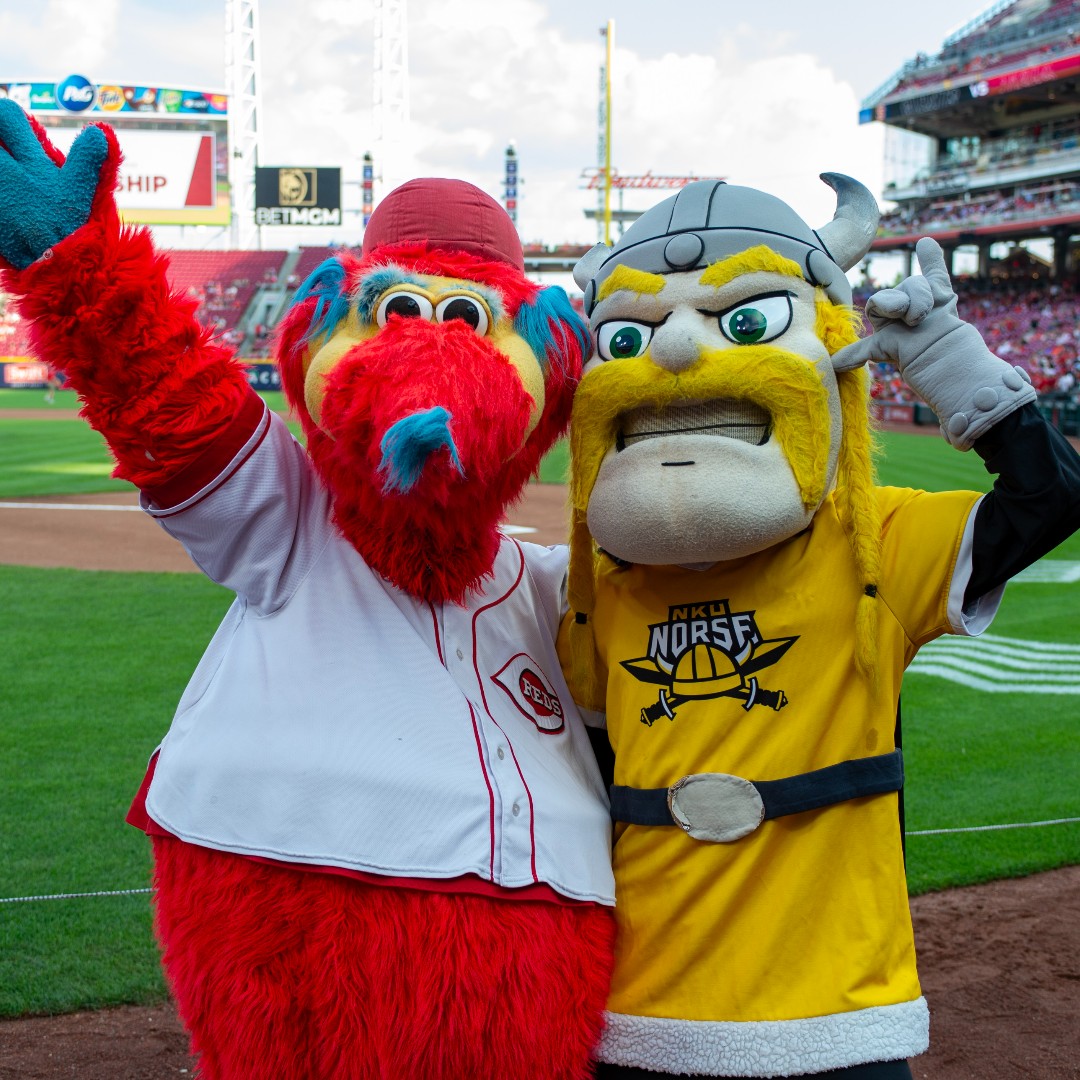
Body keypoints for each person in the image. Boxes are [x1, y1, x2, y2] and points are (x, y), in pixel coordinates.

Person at [0, 98, 615, 1080]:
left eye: (467, 316)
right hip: (275, 923)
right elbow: (177, 406)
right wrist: (77, 265)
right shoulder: (292, 524)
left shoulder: (553, 595)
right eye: (403, 309)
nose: (433, 346)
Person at [558, 175, 1080, 1078]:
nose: (680, 353)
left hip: (836, 1016)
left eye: (743, 324)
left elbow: (1049, 498)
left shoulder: (873, 540)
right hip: (639, 1014)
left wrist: (957, 366)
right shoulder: (603, 584)